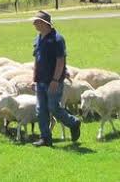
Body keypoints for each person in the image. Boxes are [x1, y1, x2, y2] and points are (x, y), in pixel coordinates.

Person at [30, 10, 81, 147]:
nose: (34, 23)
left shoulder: (57, 39)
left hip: (53, 81)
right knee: (41, 109)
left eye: (37, 21)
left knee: (54, 108)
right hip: (40, 80)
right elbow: (37, 60)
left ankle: (73, 122)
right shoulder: (38, 38)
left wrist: (55, 80)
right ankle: (45, 138)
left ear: (45, 23)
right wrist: (34, 78)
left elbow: (60, 61)